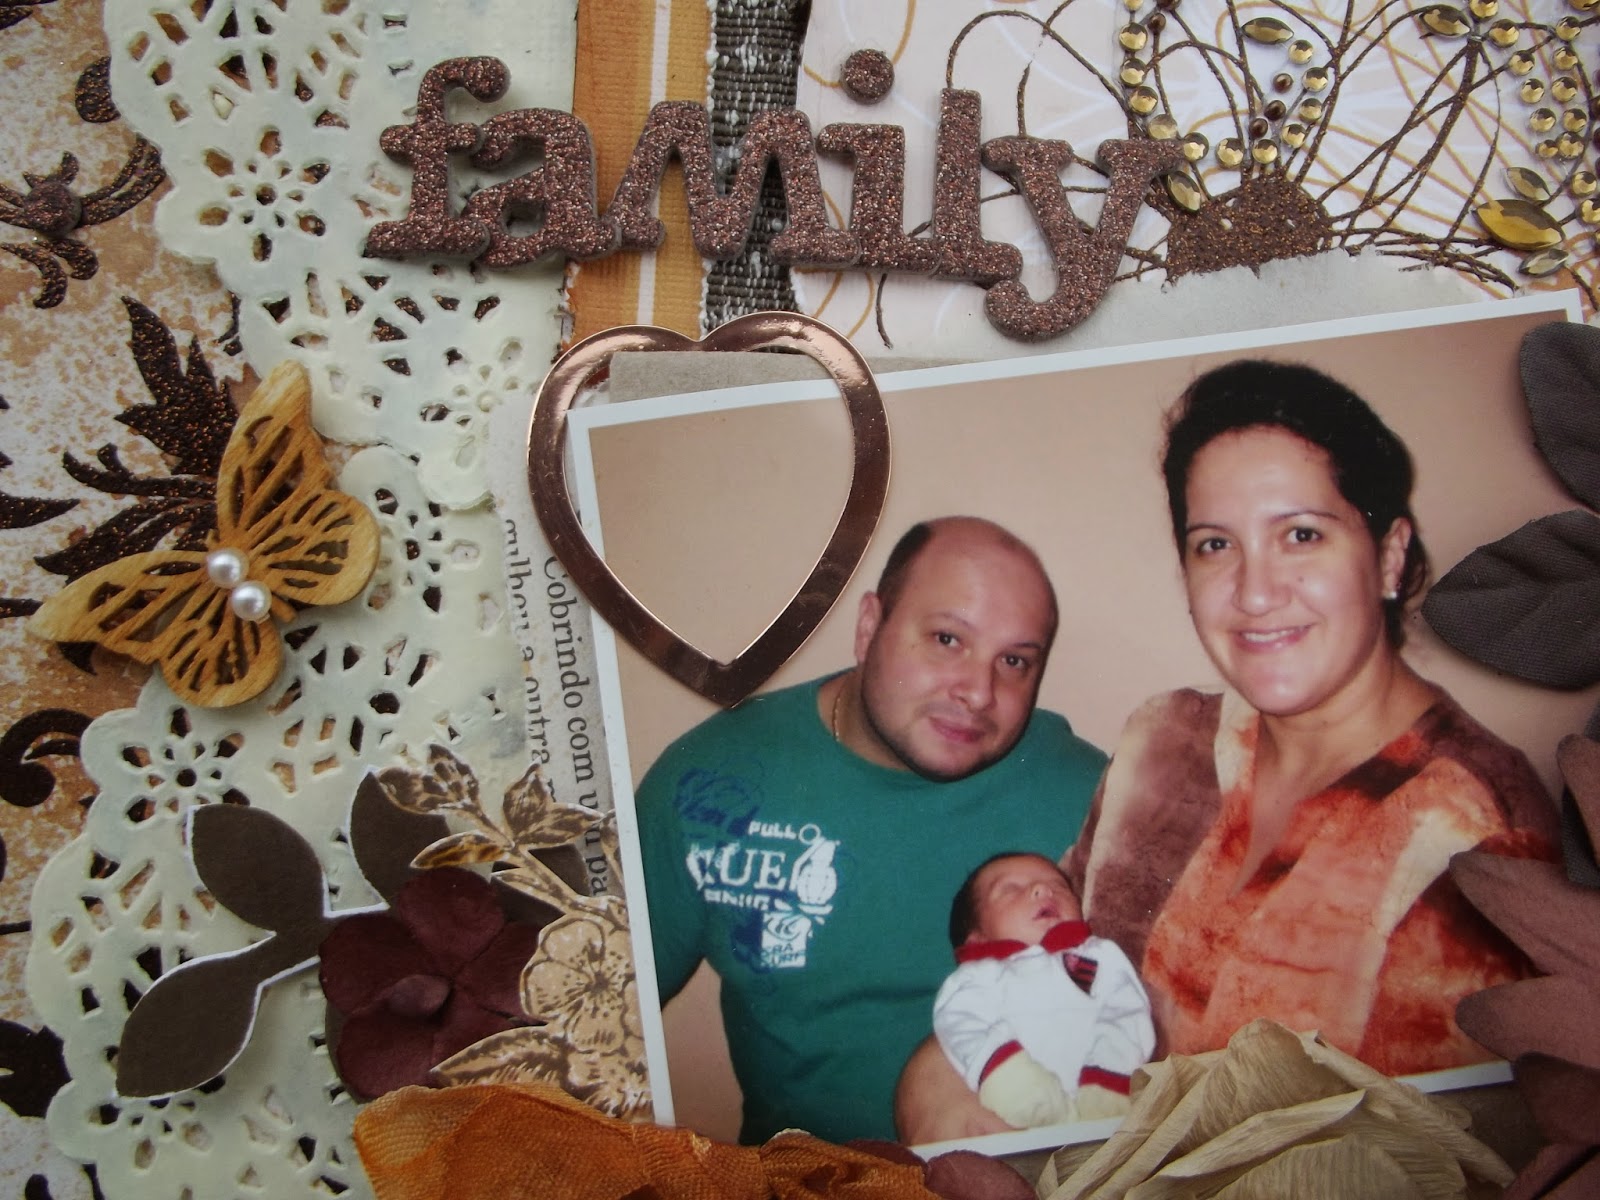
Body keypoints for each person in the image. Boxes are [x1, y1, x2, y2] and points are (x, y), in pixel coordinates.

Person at [895, 360, 1560, 1144]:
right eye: (1215, 544)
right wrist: (943, 1083)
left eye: (1301, 535)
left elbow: (1442, 1156)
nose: (1253, 592)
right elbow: (1031, 969)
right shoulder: (1162, 741)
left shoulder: (1471, 828)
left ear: (1388, 555)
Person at [634, 516, 1109, 1145]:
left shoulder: (1100, 804)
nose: (978, 692)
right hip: (805, 1180)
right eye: (947, 639)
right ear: (868, 627)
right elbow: (583, 1023)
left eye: (1014, 661)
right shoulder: (712, 782)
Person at [933, 852, 1154, 1129]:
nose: (1043, 889)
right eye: (1010, 889)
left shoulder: (1099, 956)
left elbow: (1126, 1012)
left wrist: (1108, 1083)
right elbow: (963, 1024)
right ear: (978, 938)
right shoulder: (976, 979)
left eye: (1059, 886)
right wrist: (1013, 1082)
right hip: (1017, 1114)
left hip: (1108, 1108)